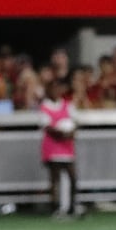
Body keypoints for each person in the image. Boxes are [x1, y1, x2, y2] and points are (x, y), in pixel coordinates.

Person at [39, 77, 78, 219]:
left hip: (67, 147)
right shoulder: (45, 107)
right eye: (53, 88)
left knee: (72, 177)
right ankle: (55, 207)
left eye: (58, 87)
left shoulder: (68, 105)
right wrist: (63, 133)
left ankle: (71, 206)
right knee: (54, 178)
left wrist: (71, 133)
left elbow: (75, 124)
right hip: (52, 147)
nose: (56, 90)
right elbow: (48, 127)